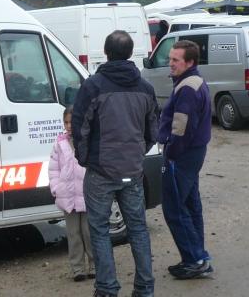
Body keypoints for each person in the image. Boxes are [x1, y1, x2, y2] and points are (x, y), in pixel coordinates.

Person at [71, 30, 159, 297]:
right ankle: (145, 289)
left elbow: (79, 127)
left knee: (99, 231)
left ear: (106, 53)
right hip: (131, 171)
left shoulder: (94, 85)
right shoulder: (145, 88)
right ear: (131, 53)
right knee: (138, 229)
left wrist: (85, 159)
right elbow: (152, 131)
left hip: (101, 171)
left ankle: (107, 289)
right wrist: (137, 154)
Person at [158, 39, 213, 280]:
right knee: (190, 205)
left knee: (175, 208)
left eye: (175, 60)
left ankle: (194, 260)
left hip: (182, 156)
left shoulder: (188, 88)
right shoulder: (195, 81)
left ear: (189, 62)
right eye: (170, 58)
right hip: (193, 153)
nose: (170, 64)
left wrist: (170, 152)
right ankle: (197, 257)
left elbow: (181, 127)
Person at [48, 107, 94, 282]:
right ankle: (77, 269)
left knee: (89, 232)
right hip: (67, 197)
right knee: (73, 234)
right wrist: (56, 188)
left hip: (86, 194)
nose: (68, 126)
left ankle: (94, 264)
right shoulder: (59, 143)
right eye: (65, 122)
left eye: (71, 122)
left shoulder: (87, 140)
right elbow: (53, 169)